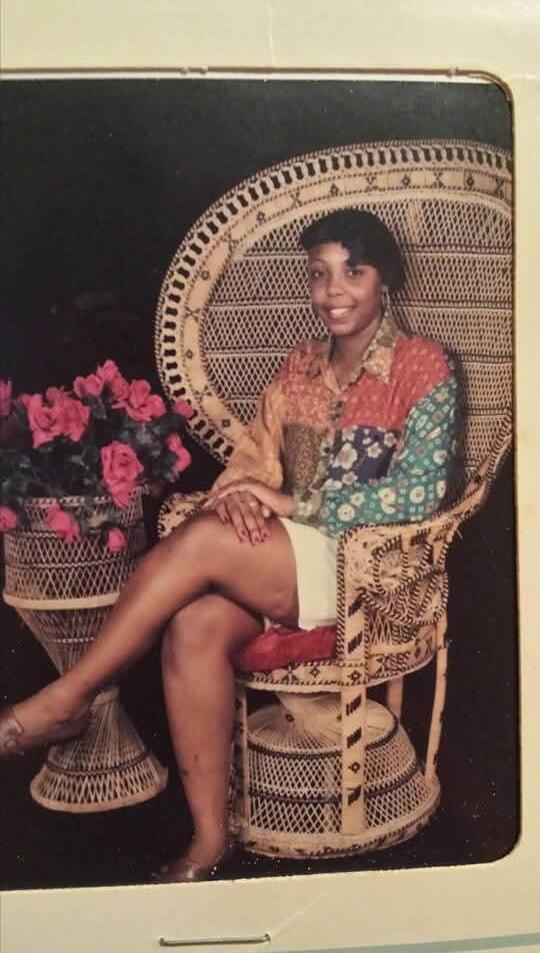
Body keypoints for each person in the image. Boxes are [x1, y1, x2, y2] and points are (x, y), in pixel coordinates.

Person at [0, 209, 459, 881]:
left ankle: (68, 698)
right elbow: (252, 463)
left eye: (353, 272)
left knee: (209, 541)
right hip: (285, 565)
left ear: (384, 280)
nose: (333, 291)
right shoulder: (300, 366)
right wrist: (241, 498)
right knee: (192, 625)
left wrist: (291, 504)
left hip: (370, 572)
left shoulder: (422, 366)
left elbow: (418, 494)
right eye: (319, 274)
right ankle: (209, 842)